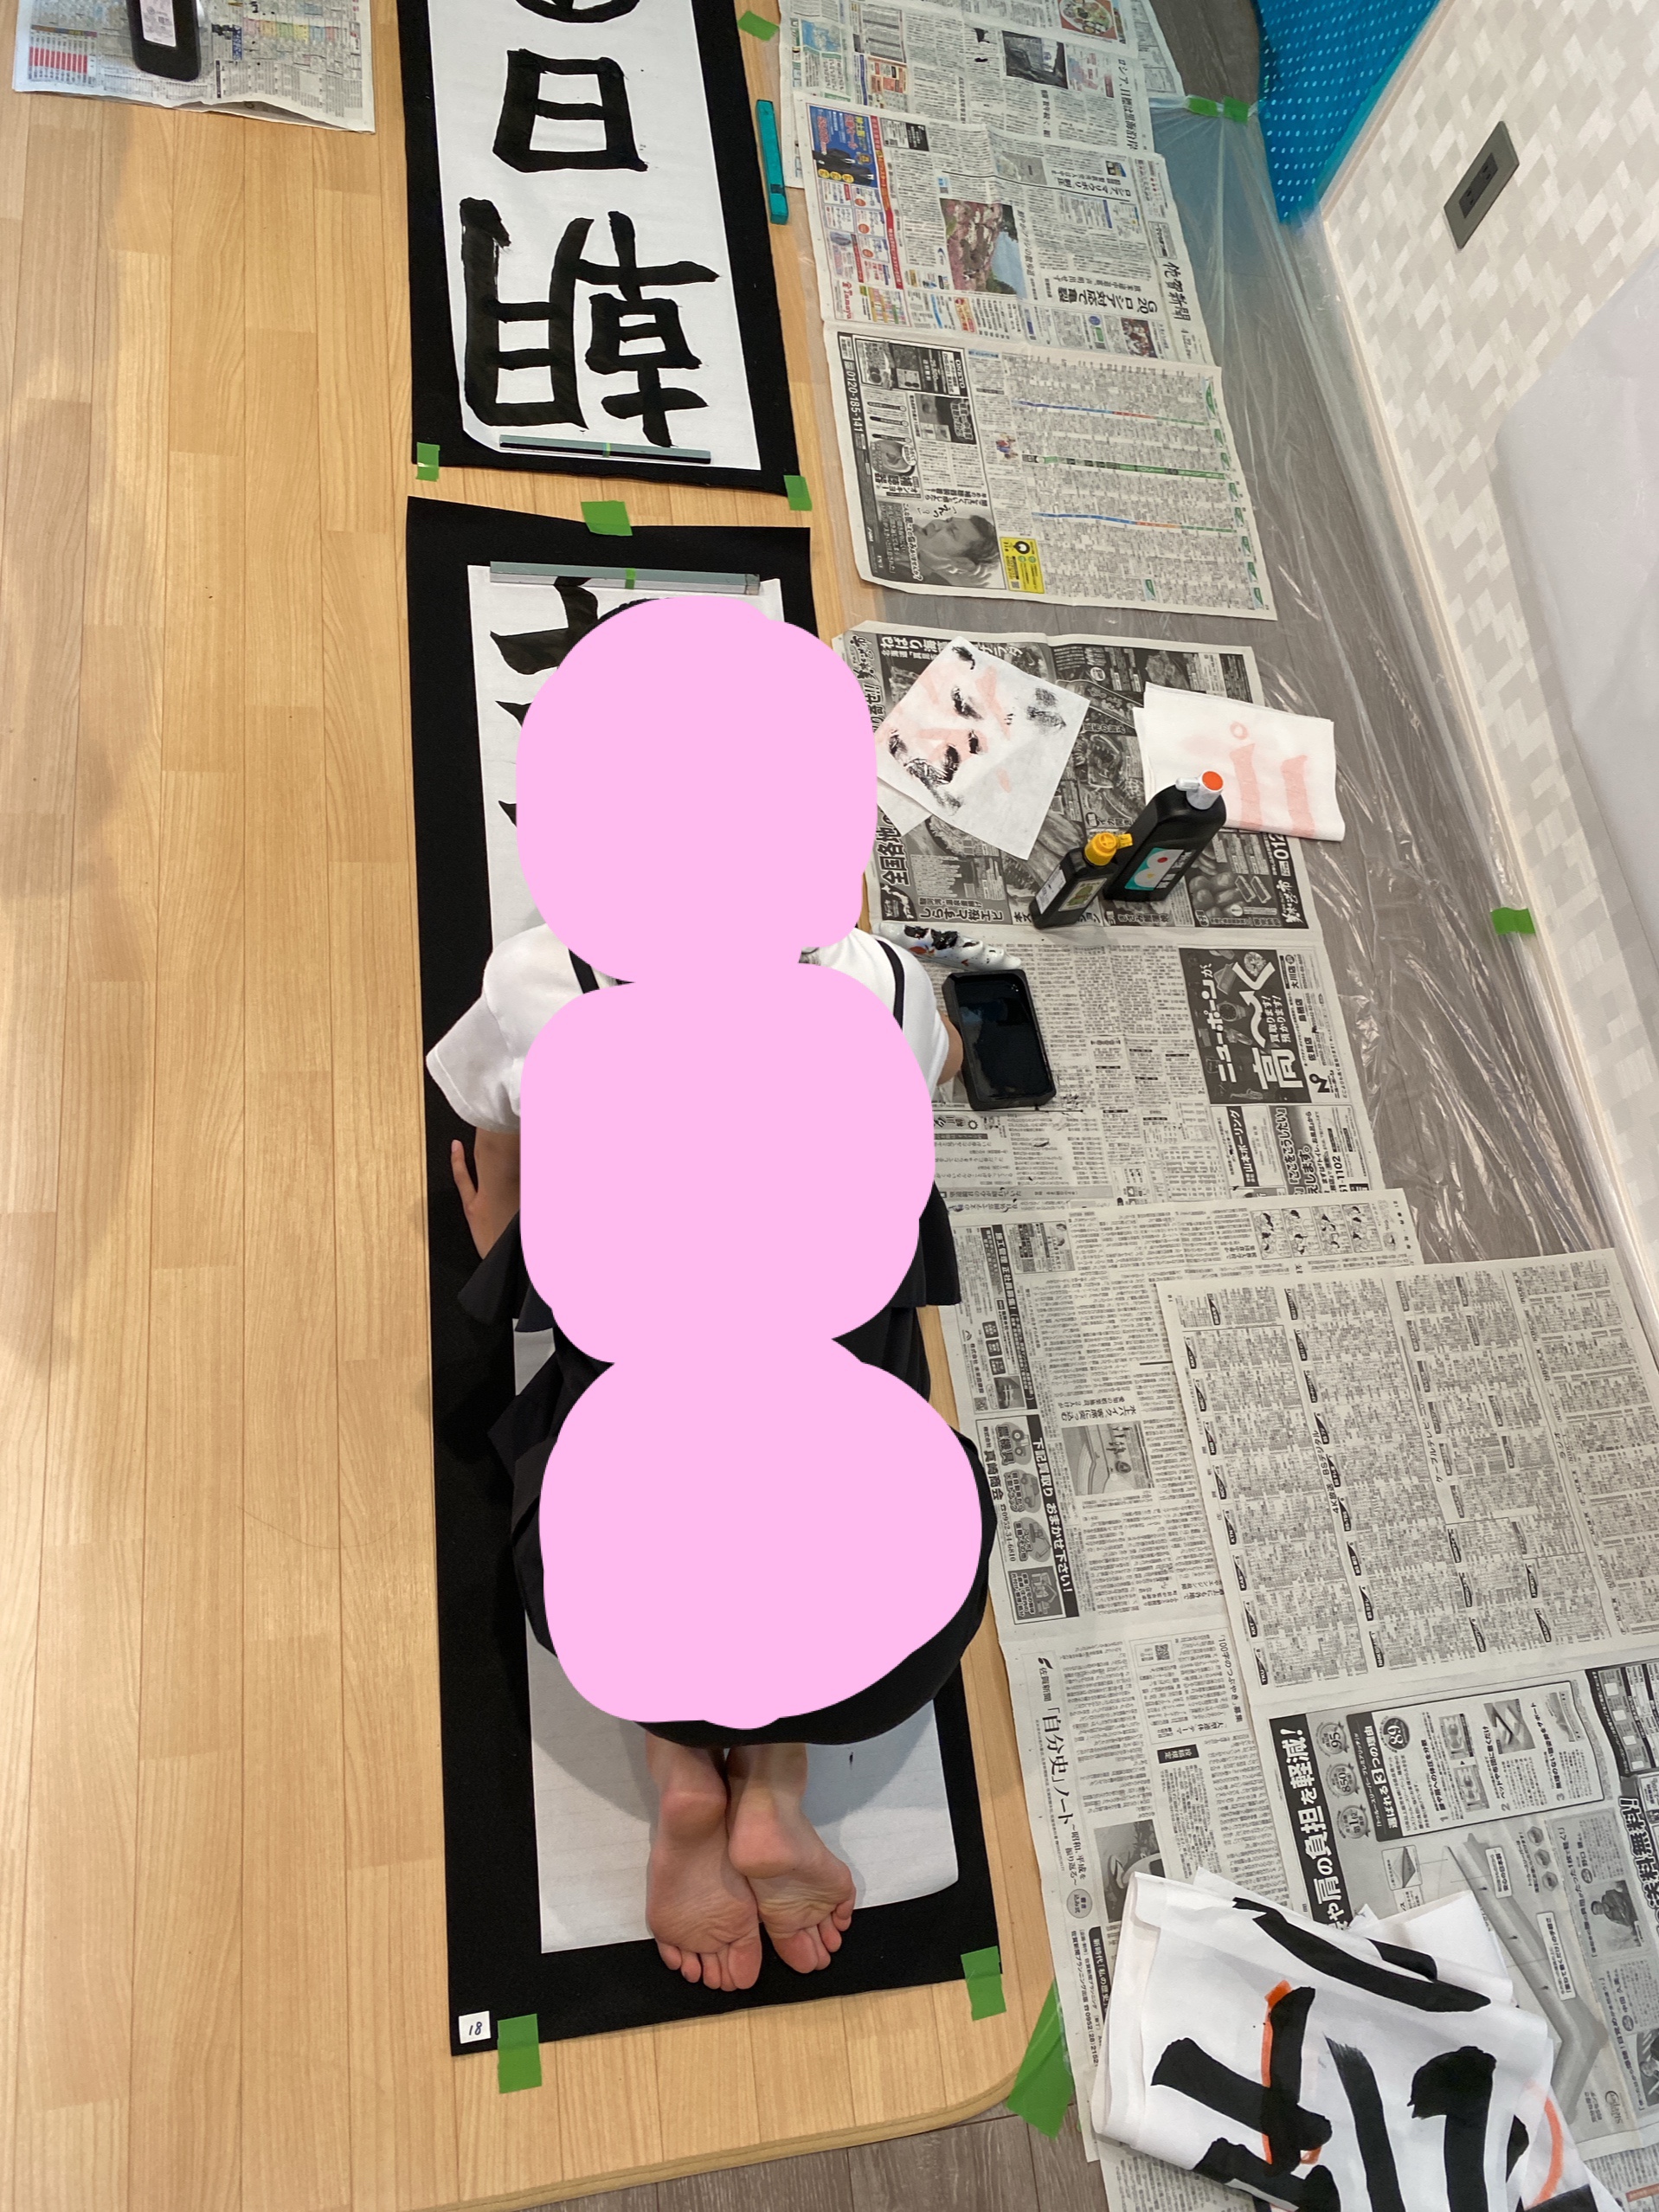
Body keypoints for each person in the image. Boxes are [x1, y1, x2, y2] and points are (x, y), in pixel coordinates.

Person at [428, 916, 994, 1993]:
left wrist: (503, 1235)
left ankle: (682, 1766)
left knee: (611, 1451)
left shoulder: (547, 977)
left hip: (636, 1639)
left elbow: (494, 1125)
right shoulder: (874, 983)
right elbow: (946, 1057)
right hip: (884, 1670)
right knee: (864, 1426)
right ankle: (774, 1784)